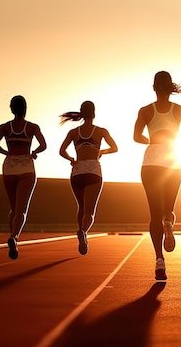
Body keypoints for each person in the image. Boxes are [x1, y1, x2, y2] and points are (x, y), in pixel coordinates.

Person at [133, 71, 181, 280]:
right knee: (167, 209)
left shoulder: (144, 111)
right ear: (171, 87)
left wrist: (153, 141)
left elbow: (136, 137)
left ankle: (159, 260)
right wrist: (175, 137)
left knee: (154, 214)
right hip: (173, 161)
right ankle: (168, 220)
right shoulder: (180, 110)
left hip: (151, 162)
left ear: (154, 87)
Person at [59, 101, 118, 255]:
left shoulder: (74, 132)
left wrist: (71, 159)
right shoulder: (100, 131)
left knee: (81, 207)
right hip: (93, 170)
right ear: (94, 113)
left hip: (77, 171)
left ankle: (81, 237)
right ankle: (83, 232)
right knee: (89, 212)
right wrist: (101, 152)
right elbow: (115, 147)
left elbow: (61, 151)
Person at [0, 95, 47, 260]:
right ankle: (14, 237)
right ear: (25, 108)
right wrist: (34, 153)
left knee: (13, 207)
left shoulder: (5, 127)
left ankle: (13, 238)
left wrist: (6, 152)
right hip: (26, 166)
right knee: (22, 208)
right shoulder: (32, 127)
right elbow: (43, 145)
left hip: (9, 166)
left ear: (11, 108)